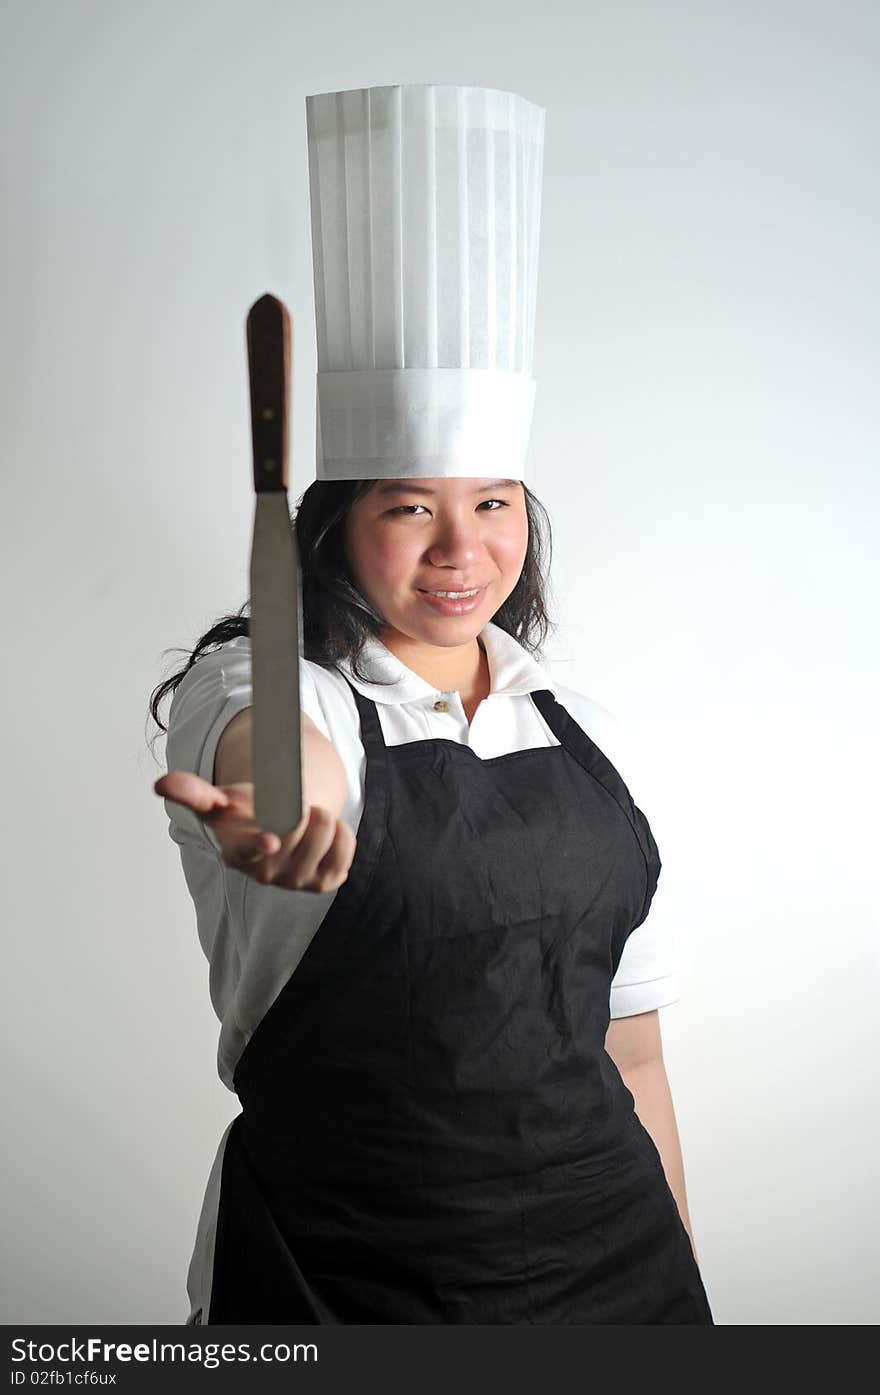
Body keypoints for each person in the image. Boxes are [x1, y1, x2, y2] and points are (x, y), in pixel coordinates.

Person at [150, 83, 714, 1324]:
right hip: (344, 1281)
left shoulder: (589, 734)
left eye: (495, 503)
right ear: (337, 528)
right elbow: (273, 752)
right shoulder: (270, 686)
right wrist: (270, 809)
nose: (462, 548)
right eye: (410, 506)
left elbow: (635, 1054)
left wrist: (683, 1293)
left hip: (616, 1271)